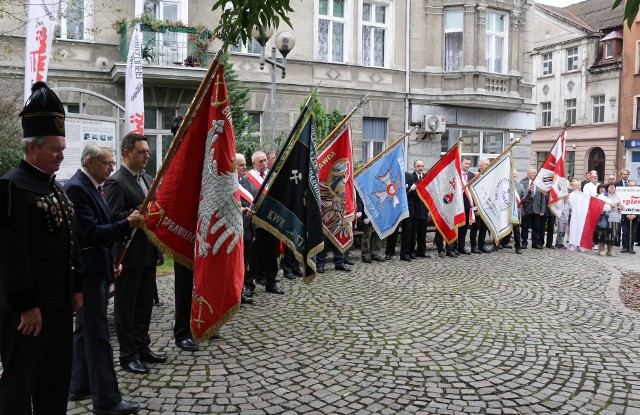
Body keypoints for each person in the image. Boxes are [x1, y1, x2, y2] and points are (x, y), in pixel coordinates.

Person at [0, 81, 83, 415]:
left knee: (55, 378)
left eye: (62, 148)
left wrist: (75, 290)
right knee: (19, 383)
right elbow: (10, 254)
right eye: (54, 149)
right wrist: (26, 305)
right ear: (32, 149)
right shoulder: (11, 187)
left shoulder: (55, 187)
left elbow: (70, 242)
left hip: (59, 304)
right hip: (26, 312)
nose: (62, 155)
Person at [65, 142, 142, 414]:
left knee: (84, 331)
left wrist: (111, 263)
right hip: (88, 274)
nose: (111, 167)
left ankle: (79, 383)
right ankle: (107, 399)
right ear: (90, 163)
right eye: (107, 163)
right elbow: (88, 234)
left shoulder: (91, 186)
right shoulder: (77, 188)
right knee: (97, 336)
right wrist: (126, 224)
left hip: (96, 269)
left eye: (112, 163)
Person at [104, 133, 167, 375]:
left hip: (147, 252)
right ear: (127, 153)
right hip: (127, 256)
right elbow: (112, 217)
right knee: (126, 308)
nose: (147, 155)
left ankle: (143, 347)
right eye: (142, 152)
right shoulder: (116, 181)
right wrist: (134, 214)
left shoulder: (148, 179)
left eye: (148, 152)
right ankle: (127, 355)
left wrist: (158, 247)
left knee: (144, 305)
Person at [240, 151, 284, 296]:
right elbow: (245, 200)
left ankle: (271, 282)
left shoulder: (272, 176)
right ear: (253, 163)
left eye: (265, 160)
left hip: (271, 222)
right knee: (254, 256)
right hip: (255, 224)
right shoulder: (246, 179)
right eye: (260, 161)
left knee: (272, 254)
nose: (264, 163)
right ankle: (249, 285)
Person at [407, 160, 430, 258]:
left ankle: (421, 251)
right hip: (415, 208)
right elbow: (408, 194)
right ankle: (412, 251)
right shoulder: (411, 177)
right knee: (413, 232)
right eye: (418, 166)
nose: (420, 168)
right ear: (414, 167)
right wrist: (411, 190)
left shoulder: (425, 177)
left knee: (422, 232)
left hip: (424, 209)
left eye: (422, 166)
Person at [456, 156, 474, 255]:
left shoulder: (471, 175)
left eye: (469, 164)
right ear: (461, 163)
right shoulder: (456, 174)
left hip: (468, 205)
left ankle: (461, 247)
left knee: (464, 227)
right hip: (458, 205)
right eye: (466, 163)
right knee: (457, 226)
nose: (468, 165)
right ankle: (453, 247)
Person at [599, 183, 623, 256]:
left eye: (613, 187)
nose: (611, 188)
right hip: (606, 218)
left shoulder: (618, 196)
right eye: (610, 187)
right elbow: (600, 207)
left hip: (615, 218)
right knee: (603, 234)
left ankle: (610, 250)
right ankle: (601, 250)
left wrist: (621, 207)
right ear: (607, 188)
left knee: (612, 235)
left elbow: (620, 205)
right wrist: (610, 207)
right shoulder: (602, 196)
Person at [621, 180, 639, 254]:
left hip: (635, 216)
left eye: (633, 185)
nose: (632, 187)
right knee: (625, 232)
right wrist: (626, 214)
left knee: (633, 233)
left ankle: (631, 247)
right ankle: (625, 247)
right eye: (630, 185)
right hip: (626, 216)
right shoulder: (623, 194)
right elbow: (621, 204)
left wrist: (635, 215)